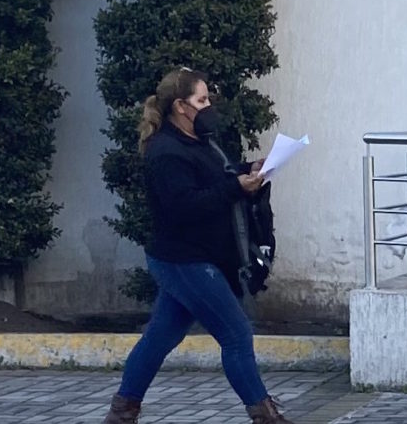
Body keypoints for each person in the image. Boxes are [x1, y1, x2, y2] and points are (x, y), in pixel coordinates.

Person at [105, 68, 295, 424]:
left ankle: (121, 413)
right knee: (236, 334)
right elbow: (184, 206)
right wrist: (237, 188)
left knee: (160, 337)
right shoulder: (165, 151)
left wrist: (250, 169)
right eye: (202, 100)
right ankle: (266, 416)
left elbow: (215, 178)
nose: (209, 106)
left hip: (195, 257)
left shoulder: (197, 141)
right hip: (184, 259)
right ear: (180, 106)